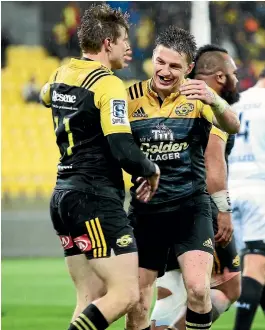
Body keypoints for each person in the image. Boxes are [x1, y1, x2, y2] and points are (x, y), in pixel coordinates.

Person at [40, 4, 160, 330]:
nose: (129, 47)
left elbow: (45, 95)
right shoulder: (108, 84)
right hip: (94, 198)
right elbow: (123, 150)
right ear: (108, 44)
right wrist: (150, 168)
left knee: (89, 299)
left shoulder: (61, 74)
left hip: (63, 196)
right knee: (125, 294)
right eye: (124, 40)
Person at [125, 27, 240, 330]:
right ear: (152, 58)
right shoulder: (128, 98)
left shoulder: (199, 96)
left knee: (199, 289)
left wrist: (214, 99)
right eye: (160, 62)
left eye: (174, 66)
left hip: (190, 209)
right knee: (136, 302)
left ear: (189, 68)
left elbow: (233, 124)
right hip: (146, 212)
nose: (164, 70)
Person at [229, 67, 265, 330]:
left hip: (230, 191)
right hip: (259, 191)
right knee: (255, 266)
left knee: (258, 268)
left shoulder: (237, 101)